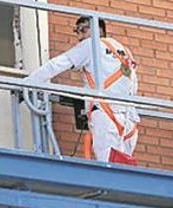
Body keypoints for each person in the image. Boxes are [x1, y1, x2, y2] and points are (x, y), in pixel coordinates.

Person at [24, 16, 139, 164]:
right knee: (123, 171)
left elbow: (58, 64)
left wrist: (29, 82)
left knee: (108, 169)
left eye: (83, 31)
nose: (80, 37)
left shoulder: (90, 45)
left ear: (98, 30)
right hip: (129, 121)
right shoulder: (125, 52)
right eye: (76, 32)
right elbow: (133, 86)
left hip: (106, 117)